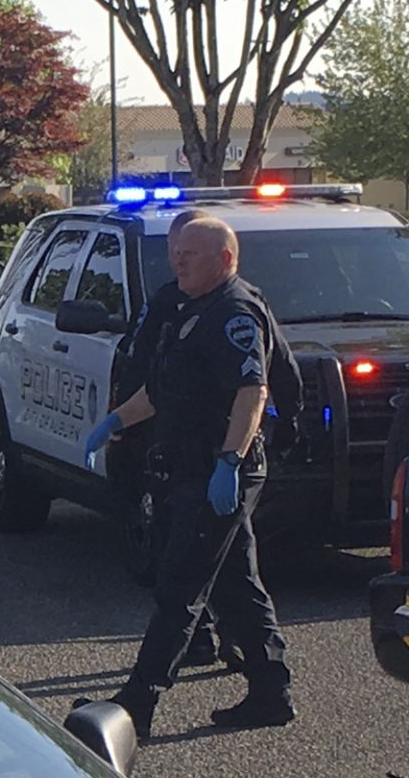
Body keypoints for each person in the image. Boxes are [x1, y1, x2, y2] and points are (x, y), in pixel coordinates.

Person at [82, 216, 295, 737]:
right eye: (177, 253)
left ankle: (137, 707)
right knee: (238, 586)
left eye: (192, 254)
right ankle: (272, 692)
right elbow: (160, 391)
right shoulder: (190, 310)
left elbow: (253, 390)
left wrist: (229, 462)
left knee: (179, 588)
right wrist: (114, 422)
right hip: (188, 467)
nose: (179, 261)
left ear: (224, 259)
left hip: (215, 470)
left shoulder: (234, 312)